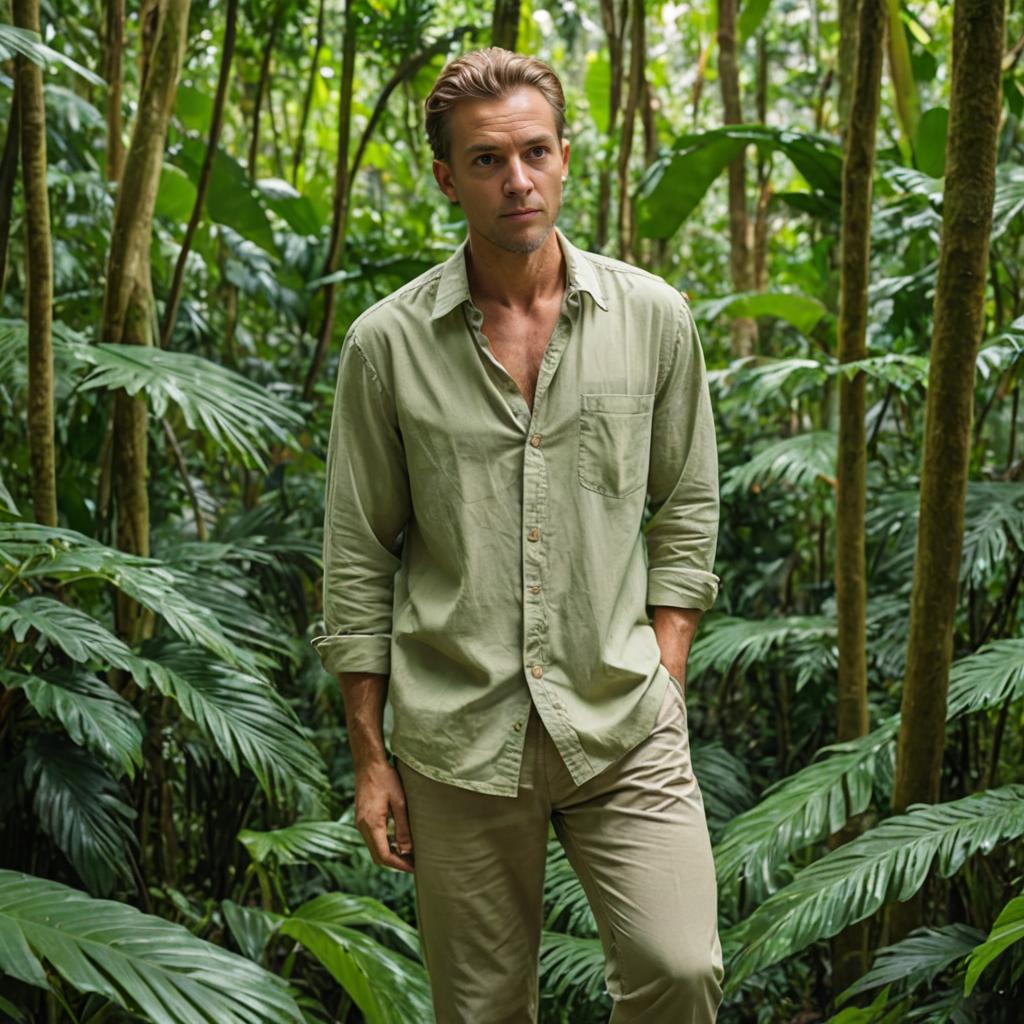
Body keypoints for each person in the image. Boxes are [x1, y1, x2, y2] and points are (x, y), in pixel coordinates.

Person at [313, 46, 724, 1024]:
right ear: (447, 176)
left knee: (680, 966)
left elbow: (689, 504)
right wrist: (372, 757)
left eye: (534, 152)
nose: (517, 180)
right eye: (487, 161)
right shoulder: (386, 343)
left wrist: (665, 670)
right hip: (458, 733)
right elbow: (358, 552)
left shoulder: (654, 318)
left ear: (566, 156)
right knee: (482, 1009)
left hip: (621, 714)